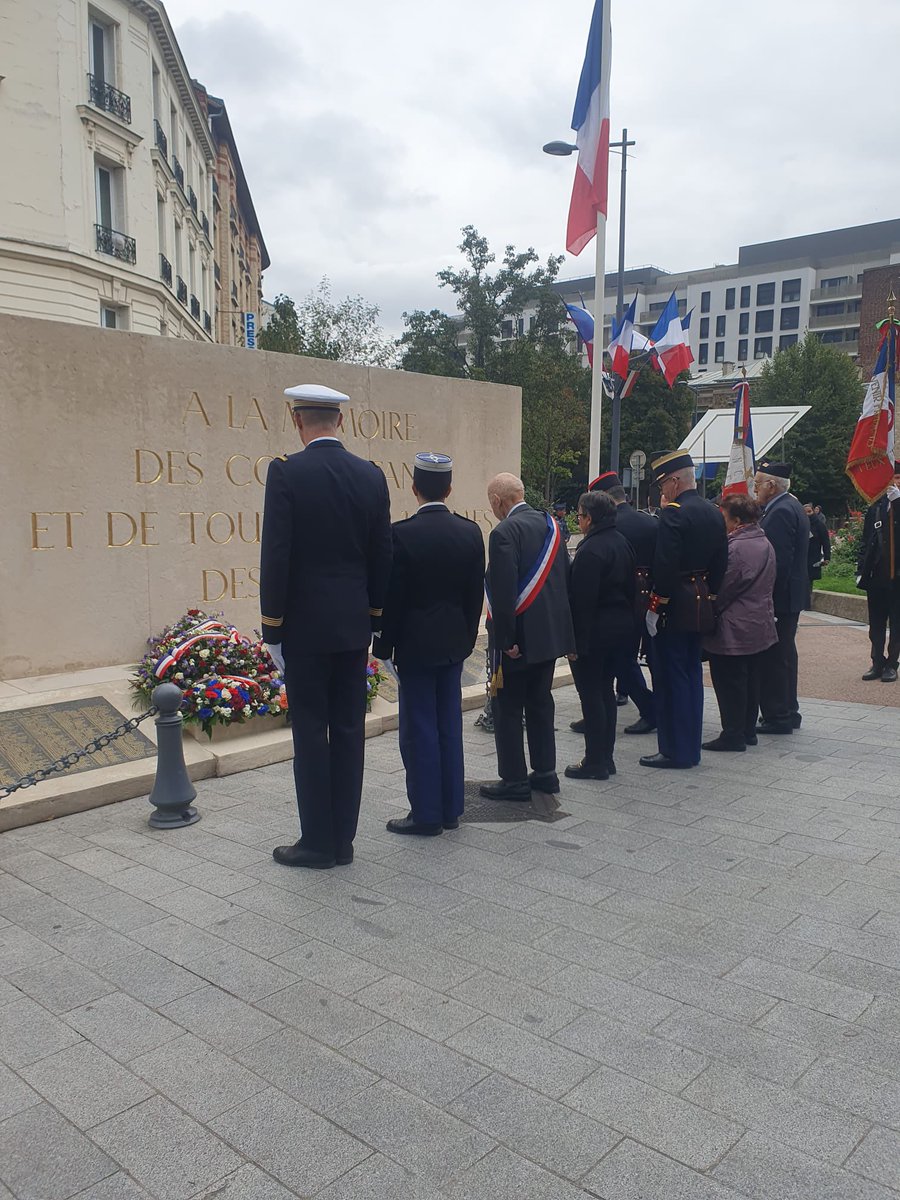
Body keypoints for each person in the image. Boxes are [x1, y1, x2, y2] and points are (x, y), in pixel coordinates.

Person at [261, 383, 392, 869]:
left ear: (298, 421)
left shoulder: (287, 473)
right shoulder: (371, 475)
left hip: (306, 630)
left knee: (312, 732)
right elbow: (383, 555)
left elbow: (276, 554)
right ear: (340, 422)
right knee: (350, 730)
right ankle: (343, 841)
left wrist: (271, 627)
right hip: (354, 626)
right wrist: (376, 618)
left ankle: (316, 842)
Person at [373, 453, 485, 835]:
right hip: (455, 644)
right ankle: (451, 808)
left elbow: (394, 598)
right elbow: (474, 595)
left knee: (419, 729)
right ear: (449, 489)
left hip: (416, 646)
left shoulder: (401, 534)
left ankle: (425, 814)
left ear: (414, 488)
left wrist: (383, 647)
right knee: (449, 726)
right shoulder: (470, 532)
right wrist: (468, 639)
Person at [481, 473, 575, 801]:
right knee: (540, 703)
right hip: (548, 638)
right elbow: (565, 579)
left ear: (498, 501)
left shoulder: (504, 532)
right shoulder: (551, 525)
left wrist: (506, 641)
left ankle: (514, 780)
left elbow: (504, 593)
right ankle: (546, 773)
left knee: (507, 707)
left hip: (517, 642)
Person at [641, 450, 728, 770]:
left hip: (674, 605)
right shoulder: (712, 512)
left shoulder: (674, 514)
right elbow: (722, 563)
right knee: (691, 675)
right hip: (701, 600)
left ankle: (674, 750)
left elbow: (664, 567)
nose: (661, 490)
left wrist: (656, 606)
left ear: (676, 481)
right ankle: (689, 747)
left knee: (669, 677)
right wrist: (712, 596)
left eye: (663, 483)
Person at [566, 489, 636, 780]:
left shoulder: (591, 550)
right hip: (620, 629)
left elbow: (582, 602)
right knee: (606, 692)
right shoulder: (621, 542)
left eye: (580, 516)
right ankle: (606, 757)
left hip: (594, 632)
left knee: (592, 695)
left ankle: (594, 760)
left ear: (590, 518)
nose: (579, 521)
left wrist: (574, 643)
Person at [702, 494, 777, 751]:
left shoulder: (735, 548)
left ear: (735, 519)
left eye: (723, 516)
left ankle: (732, 734)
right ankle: (747, 730)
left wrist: (708, 608)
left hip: (734, 626)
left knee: (729, 681)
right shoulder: (764, 541)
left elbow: (723, 588)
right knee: (751, 678)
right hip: (759, 623)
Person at [587, 471, 657, 735]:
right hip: (648, 600)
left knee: (620, 661)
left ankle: (650, 709)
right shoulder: (648, 522)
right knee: (629, 658)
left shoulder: (609, 525)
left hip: (615, 603)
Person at [755, 461, 810, 733]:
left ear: (771, 485)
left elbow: (777, 562)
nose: (755, 490)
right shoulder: (790, 505)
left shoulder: (780, 512)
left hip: (781, 597)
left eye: (757, 484)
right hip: (790, 595)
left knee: (776, 657)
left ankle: (779, 715)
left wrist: (768, 600)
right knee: (785, 654)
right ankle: (788, 710)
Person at [857, 462, 900, 683]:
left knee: (896, 622)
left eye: (898, 480)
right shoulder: (876, 506)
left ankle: (892, 664)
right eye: (892, 480)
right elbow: (866, 540)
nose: (895, 484)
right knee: (876, 623)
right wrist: (860, 568)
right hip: (876, 576)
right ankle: (877, 661)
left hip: (897, 577)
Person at [804, 502, 831, 590]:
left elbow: (826, 542)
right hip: (801, 557)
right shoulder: (800, 524)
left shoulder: (820, 525)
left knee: (809, 580)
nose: (807, 514)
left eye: (809, 512)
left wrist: (827, 557)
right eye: (805, 512)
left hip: (813, 556)